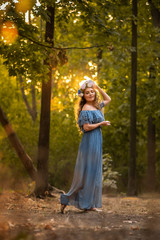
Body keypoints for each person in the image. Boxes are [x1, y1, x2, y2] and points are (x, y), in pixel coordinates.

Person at [60, 79, 111, 213]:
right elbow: (87, 127)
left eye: (92, 92)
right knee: (87, 172)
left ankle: (90, 204)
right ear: (83, 96)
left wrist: (98, 86)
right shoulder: (85, 109)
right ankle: (67, 199)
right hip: (89, 141)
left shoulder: (97, 106)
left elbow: (108, 99)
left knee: (94, 173)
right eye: (87, 93)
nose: (90, 94)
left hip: (97, 140)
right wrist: (101, 124)